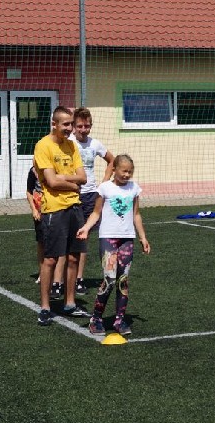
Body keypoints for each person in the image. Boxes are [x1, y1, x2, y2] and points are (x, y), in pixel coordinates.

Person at [76, 154, 150, 336]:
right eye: (124, 171)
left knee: (122, 280)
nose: (127, 175)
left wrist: (143, 237)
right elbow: (96, 213)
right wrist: (86, 228)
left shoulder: (134, 188)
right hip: (108, 239)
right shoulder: (105, 188)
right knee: (109, 279)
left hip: (127, 239)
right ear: (114, 169)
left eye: (130, 172)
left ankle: (119, 320)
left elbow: (136, 214)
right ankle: (96, 319)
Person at [33, 105, 88, 326]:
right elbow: (51, 182)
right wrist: (72, 184)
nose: (70, 128)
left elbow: (83, 177)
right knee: (50, 259)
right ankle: (45, 307)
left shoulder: (72, 145)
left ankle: (70, 303)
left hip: (75, 207)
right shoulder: (43, 146)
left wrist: (63, 178)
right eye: (66, 124)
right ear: (54, 124)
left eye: (71, 124)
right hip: (54, 209)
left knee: (73, 257)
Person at [69, 107, 115, 297]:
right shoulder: (68, 142)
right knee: (68, 238)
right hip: (70, 195)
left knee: (83, 238)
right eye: (80, 126)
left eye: (87, 126)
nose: (83, 130)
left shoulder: (94, 144)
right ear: (73, 126)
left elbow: (112, 160)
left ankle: (79, 279)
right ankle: (60, 279)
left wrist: (104, 182)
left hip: (89, 196)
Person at [26, 166, 44, 284]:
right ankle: (42, 273)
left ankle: (58, 276)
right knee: (42, 242)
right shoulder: (33, 171)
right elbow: (29, 191)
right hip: (40, 211)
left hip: (56, 210)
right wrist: (34, 210)